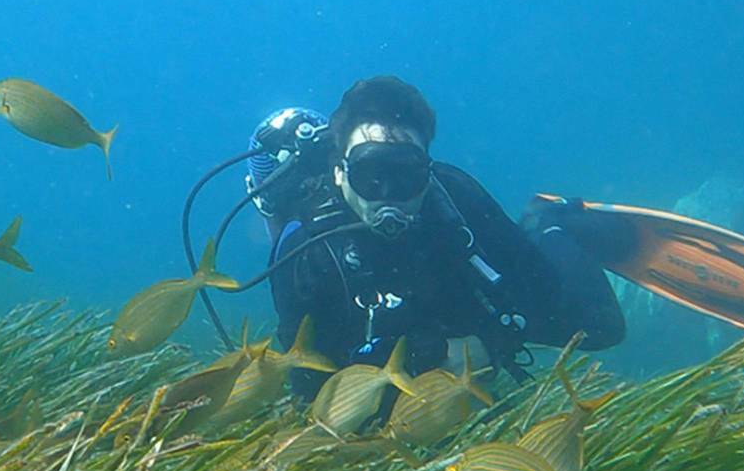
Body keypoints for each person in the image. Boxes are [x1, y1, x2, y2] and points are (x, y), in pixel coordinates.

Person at [258, 76, 630, 395]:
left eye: (407, 175)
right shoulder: (303, 251)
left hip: (462, 332)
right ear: (339, 173)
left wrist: (491, 341)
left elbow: (531, 291)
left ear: (428, 174)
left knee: (601, 326)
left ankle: (547, 221)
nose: (389, 194)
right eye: (370, 175)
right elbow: (307, 380)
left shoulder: (453, 198)